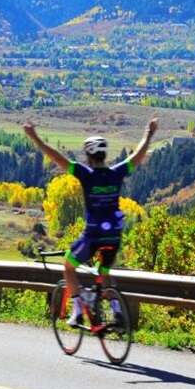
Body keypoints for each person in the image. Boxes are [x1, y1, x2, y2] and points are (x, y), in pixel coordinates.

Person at [24, 118, 158, 327]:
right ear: (104, 155)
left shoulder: (86, 174)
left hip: (93, 234)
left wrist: (35, 138)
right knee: (103, 272)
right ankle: (116, 310)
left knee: (69, 266)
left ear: (88, 155)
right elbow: (138, 156)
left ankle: (77, 310)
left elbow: (56, 158)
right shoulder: (116, 173)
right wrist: (148, 133)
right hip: (114, 234)